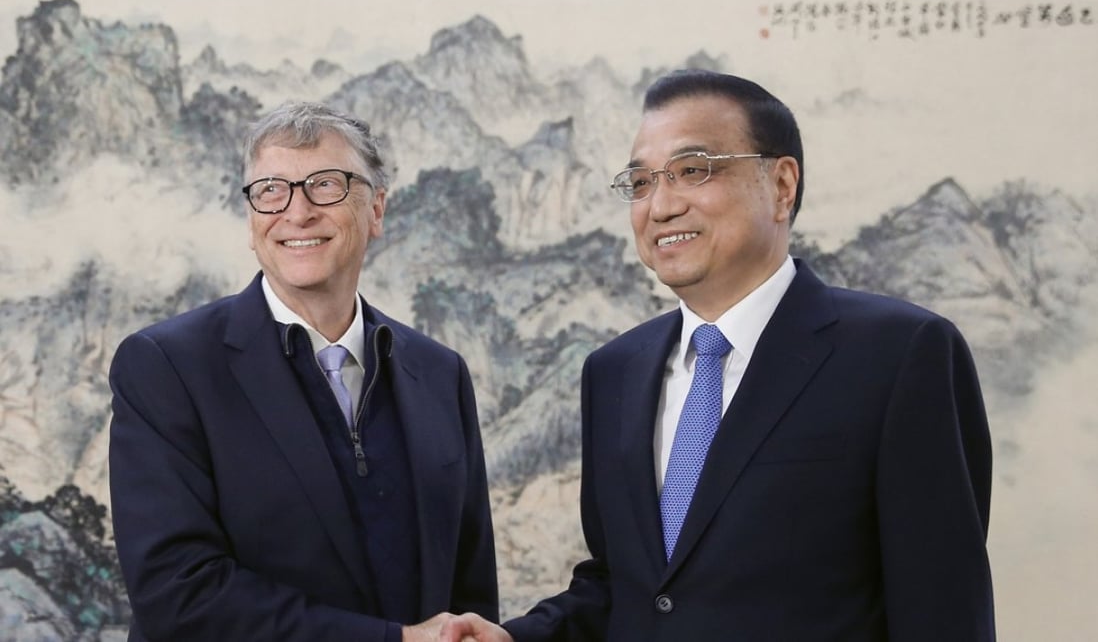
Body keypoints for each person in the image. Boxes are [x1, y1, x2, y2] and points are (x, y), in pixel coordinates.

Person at [441, 70, 994, 641]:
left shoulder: (899, 354)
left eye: (692, 171)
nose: (660, 206)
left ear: (782, 185)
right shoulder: (613, 372)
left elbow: (942, 604)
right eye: (640, 183)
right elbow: (629, 586)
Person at [109, 101, 498, 641]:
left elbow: (470, 593)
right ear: (251, 222)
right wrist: (395, 641)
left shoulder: (440, 374)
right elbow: (177, 593)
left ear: (376, 209)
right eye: (271, 189)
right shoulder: (167, 367)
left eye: (326, 185)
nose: (298, 212)